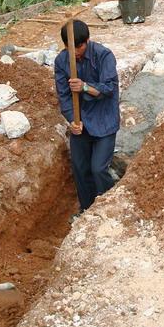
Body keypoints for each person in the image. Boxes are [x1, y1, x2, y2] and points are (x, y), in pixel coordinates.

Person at [54, 20, 120, 216]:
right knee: (80, 168)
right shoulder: (61, 61)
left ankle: (108, 207)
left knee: (98, 168)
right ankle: (87, 210)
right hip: (80, 120)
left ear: (87, 41)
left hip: (103, 119)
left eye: (80, 47)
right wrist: (72, 120)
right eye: (71, 48)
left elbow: (108, 88)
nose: (75, 52)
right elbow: (64, 95)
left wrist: (84, 87)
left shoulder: (103, 55)